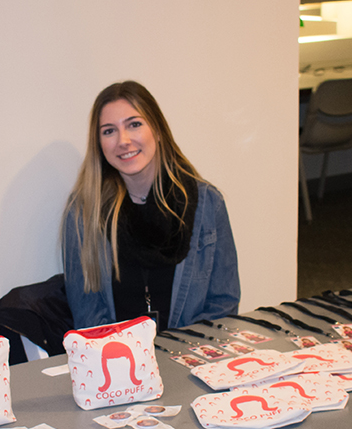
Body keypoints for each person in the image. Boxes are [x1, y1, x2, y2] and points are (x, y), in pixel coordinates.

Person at [61, 81, 240, 330]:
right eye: (109, 131)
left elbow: (223, 304)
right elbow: (87, 312)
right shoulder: (82, 213)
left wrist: (179, 356)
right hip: (118, 361)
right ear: (99, 144)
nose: (123, 140)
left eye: (134, 124)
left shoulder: (208, 204)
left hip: (189, 357)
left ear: (157, 130)